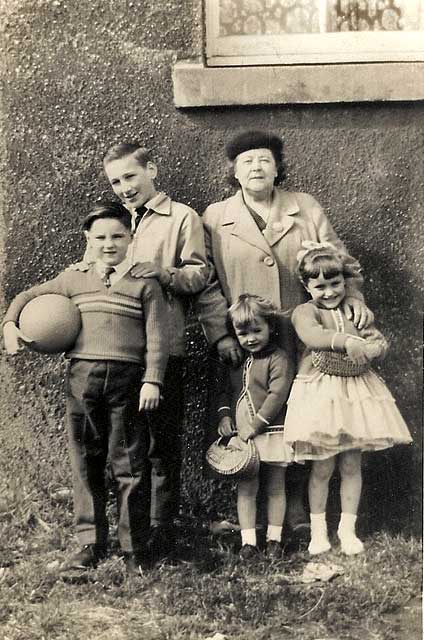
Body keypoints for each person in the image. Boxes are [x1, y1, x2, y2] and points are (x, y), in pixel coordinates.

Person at [196, 129, 373, 533]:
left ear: (278, 168)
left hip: (299, 333)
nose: (256, 167)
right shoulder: (216, 216)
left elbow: (340, 262)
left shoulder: (305, 208)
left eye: (264, 159)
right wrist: (220, 334)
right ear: (234, 172)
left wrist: (354, 299)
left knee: (297, 415)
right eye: (247, 161)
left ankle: (295, 510)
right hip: (245, 335)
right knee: (242, 411)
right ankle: (242, 507)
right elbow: (206, 283)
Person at [2, 201, 170, 575]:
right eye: (100, 237)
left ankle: (133, 546)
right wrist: (10, 325)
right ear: (88, 239)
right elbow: (24, 298)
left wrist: (152, 379)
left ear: (130, 237)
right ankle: (88, 542)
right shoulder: (73, 277)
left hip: (128, 381)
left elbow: (158, 337)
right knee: (85, 460)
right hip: (83, 377)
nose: (109, 244)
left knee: (130, 462)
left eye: (117, 236)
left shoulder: (146, 283)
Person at [72, 142, 208, 561]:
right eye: (116, 181)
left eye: (130, 176)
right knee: (118, 450)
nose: (124, 187)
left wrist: (164, 273)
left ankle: (161, 535)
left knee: (160, 447)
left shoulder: (181, 216)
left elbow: (200, 275)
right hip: (117, 356)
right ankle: (121, 535)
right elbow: (92, 270)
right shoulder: (112, 223)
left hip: (163, 351)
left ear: (152, 169)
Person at [283, 241, 412, 556]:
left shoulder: (352, 309)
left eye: (336, 283)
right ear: (307, 285)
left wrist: (375, 345)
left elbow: (371, 337)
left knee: (352, 464)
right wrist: (344, 341)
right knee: (323, 467)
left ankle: (347, 530)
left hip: (354, 390)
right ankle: (318, 531)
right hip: (321, 392)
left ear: (345, 281)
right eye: (320, 286)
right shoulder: (305, 311)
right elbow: (313, 337)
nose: (329, 292)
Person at [216, 294, 294, 559]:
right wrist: (225, 417)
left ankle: (275, 539)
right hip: (244, 439)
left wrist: (257, 424)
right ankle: (248, 542)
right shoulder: (237, 360)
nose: (250, 338)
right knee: (246, 489)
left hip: (270, 432)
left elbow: (277, 394)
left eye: (257, 330)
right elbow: (226, 391)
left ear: (270, 327)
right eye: (243, 333)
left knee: (275, 487)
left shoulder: (278, 358)